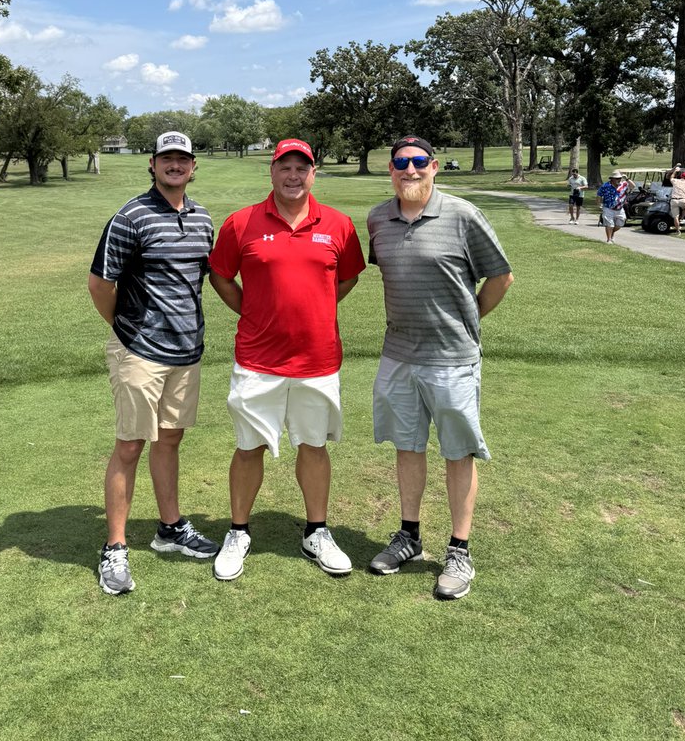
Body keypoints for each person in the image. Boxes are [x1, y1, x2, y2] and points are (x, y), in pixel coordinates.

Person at [208, 139, 366, 582]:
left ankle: (316, 531)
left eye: (302, 167)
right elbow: (220, 275)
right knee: (248, 446)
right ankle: (238, 532)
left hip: (318, 359)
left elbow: (349, 275)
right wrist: (251, 310)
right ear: (272, 172)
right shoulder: (242, 223)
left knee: (313, 445)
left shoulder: (338, 224)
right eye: (285, 167)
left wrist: (318, 307)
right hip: (258, 358)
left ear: (313, 173)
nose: (293, 176)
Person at [366, 137, 513, 601]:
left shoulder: (463, 214)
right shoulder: (377, 219)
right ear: (391, 170)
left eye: (418, 163)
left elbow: (501, 276)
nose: (409, 170)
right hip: (398, 355)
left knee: (457, 451)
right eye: (400, 163)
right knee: (408, 446)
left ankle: (459, 550)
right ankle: (409, 536)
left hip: (452, 359)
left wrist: (468, 321)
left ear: (434, 168)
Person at [88, 131, 219, 595]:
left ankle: (170, 529)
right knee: (130, 446)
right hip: (140, 351)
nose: (175, 165)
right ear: (152, 163)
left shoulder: (202, 218)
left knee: (169, 441)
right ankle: (115, 548)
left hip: (187, 352)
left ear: (193, 165)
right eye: (167, 158)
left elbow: (201, 280)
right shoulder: (131, 216)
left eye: (182, 158)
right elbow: (100, 283)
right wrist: (128, 330)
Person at [595, 170, 630, 244]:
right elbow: (599, 195)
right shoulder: (605, 186)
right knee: (609, 224)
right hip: (608, 208)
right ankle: (609, 239)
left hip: (619, 208)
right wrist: (599, 204)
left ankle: (612, 233)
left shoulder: (623, 184)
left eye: (620, 178)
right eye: (617, 178)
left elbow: (633, 186)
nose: (619, 180)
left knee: (620, 223)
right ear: (612, 179)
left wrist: (627, 179)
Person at [667, 165, 685, 234]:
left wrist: (675, 171)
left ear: (681, 176)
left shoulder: (675, 181)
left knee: (675, 217)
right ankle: (682, 218)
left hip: (674, 200)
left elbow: (671, 177)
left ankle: (678, 231)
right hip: (682, 200)